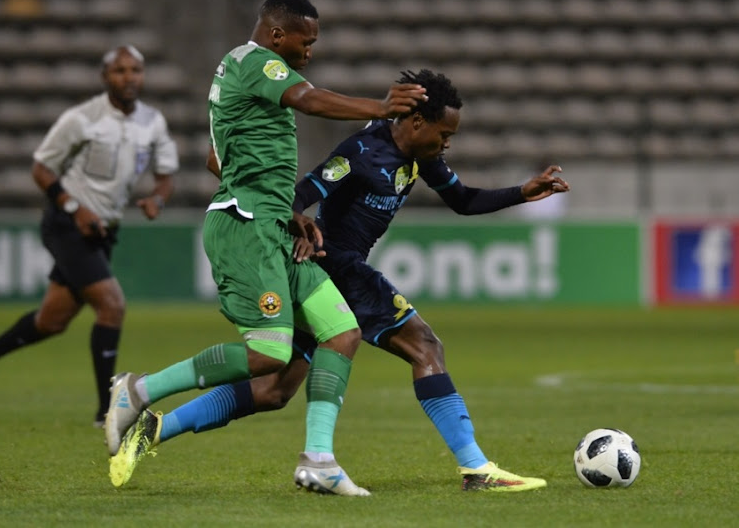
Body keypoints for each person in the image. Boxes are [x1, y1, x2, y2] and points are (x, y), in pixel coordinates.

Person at [110, 69, 570, 492]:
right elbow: (301, 193)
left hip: (333, 272)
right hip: (337, 267)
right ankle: (475, 467)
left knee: (274, 390)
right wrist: (299, 224)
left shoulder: (420, 154)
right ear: (414, 124)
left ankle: (154, 428)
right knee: (424, 346)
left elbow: (464, 200)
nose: (446, 144)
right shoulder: (361, 152)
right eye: (444, 133)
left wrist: (522, 192)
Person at [104, 0, 427, 496]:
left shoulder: (239, 75)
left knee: (341, 332)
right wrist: (381, 109)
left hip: (274, 224)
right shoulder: (256, 62)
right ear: (278, 34)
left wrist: (287, 209)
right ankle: (139, 391)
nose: (309, 53)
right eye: (307, 42)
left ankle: (318, 460)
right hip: (245, 228)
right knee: (269, 357)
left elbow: (218, 158)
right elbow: (308, 98)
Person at [0, 45, 178, 427]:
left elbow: (165, 174)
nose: (129, 77)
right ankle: (105, 411)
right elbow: (42, 169)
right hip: (66, 223)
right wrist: (75, 208)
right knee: (112, 305)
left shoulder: (152, 122)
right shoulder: (82, 118)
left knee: (51, 321)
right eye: (120, 70)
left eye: (136, 70)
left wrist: (157, 198)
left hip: (103, 230)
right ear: (105, 77)